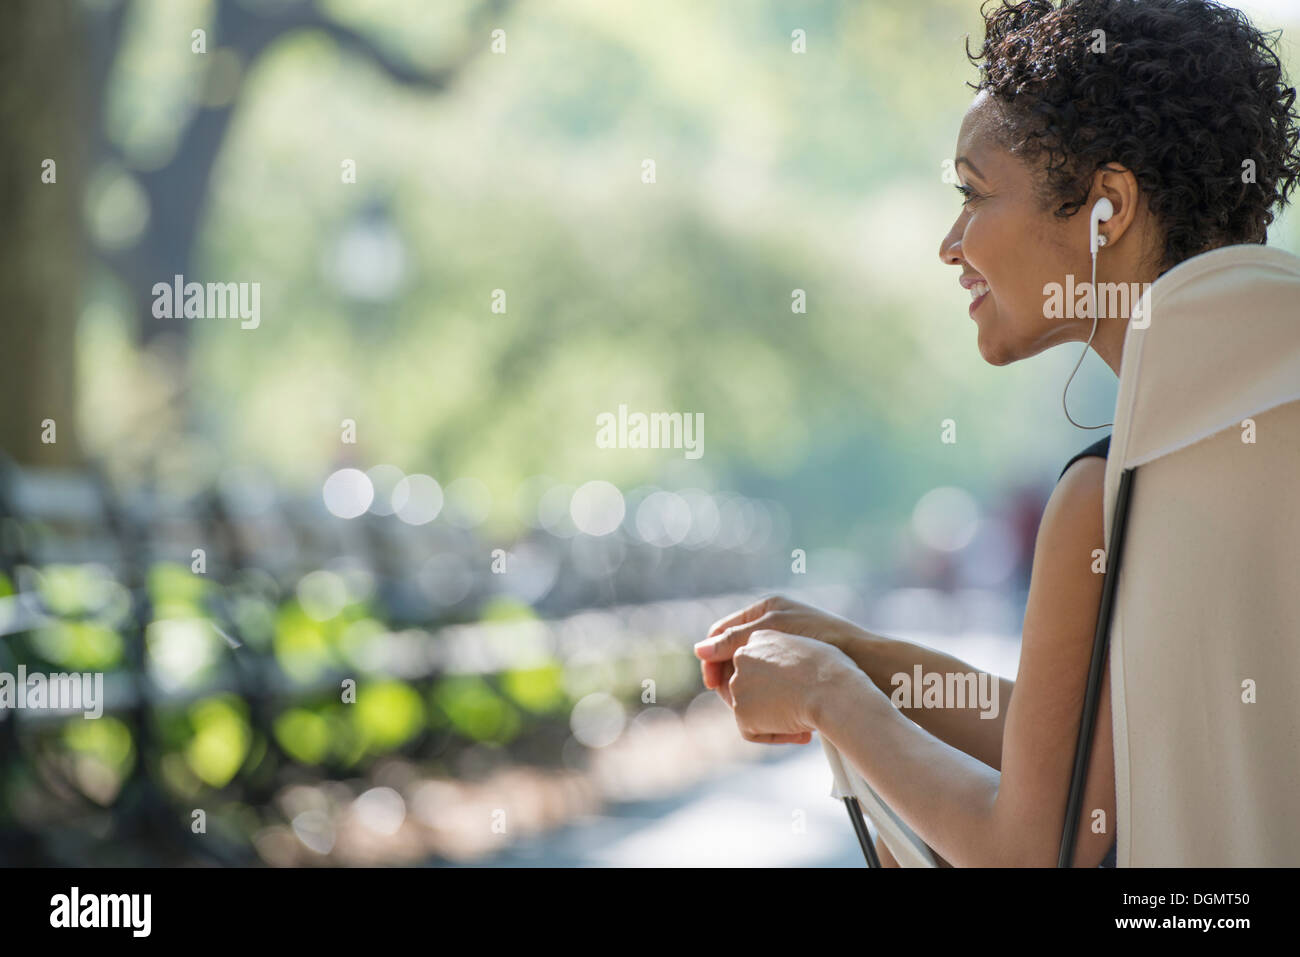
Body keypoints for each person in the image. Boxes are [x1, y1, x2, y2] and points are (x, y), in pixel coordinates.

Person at [694, 0, 1300, 867]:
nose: (950, 243)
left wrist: (828, 693)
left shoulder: (1109, 492)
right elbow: (1101, 733)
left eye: (974, 193)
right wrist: (864, 654)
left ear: (1108, 208)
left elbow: (1030, 848)